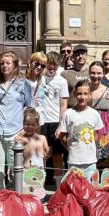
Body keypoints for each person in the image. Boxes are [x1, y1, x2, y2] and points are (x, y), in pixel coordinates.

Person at [0, 51, 34, 189]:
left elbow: (30, 109)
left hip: (15, 134)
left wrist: (23, 131)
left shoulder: (24, 83)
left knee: (17, 172)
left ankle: (16, 201)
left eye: (8, 63)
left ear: (15, 65)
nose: (4, 66)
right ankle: (0, 202)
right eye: (2, 63)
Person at [59, 80, 104, 181]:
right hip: (74, 160)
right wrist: (70, 147)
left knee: (89, 187)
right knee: (74, 187)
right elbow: (62, 136)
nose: (82, 97)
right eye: (79, 94)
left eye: (85, 94)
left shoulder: (94, 114)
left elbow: (96, 135)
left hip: (90, 161)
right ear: (74, 95)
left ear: (89, 95)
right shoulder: (68, 114)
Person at [37, 51, 69, 182]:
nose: (51, 68)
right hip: (41, 121)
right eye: (49, 64)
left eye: (55, 65)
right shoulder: (39, 78)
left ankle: (58, 185)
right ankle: (39, 185)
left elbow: (63, 105)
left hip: (55, 121)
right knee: (41, 154)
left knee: (57, 155)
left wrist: (61, 126)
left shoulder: (62, 81)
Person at [89, 61, 109, 168]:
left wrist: (104, 125)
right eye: (93, 73)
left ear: (103, 74)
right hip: (87, 130)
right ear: (89, 73)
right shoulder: (85, 91)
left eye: (99, 73)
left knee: (105, 160)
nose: (95, 76)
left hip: (104, 131)